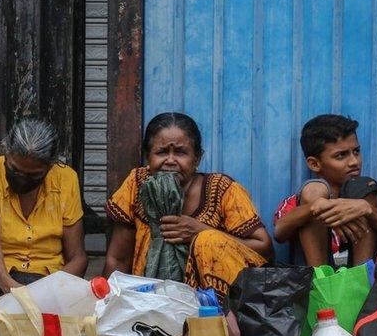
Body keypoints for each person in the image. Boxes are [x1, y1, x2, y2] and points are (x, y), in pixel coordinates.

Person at [103, 112, 273, 300]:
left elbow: (264, 249)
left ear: (197, 158)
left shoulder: (223, 190)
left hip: (213, 307)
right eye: (161, 152)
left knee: (208, 240)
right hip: (147, 300)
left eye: (180, 153)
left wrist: (200, 232)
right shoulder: (138, 184)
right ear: (147, 157)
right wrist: (106, 305)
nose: (170, 161)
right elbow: (118, 259)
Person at [0, 118, 87, 313]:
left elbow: (78, 257)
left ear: (50, 167)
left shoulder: (66, 179)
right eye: (14, 170)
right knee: (10, 308)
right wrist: (17, 292)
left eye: (33, 176)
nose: (22, 179)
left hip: (48, 282)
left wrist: (50, 291)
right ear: (6, 152)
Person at [273, 114, 377, 267]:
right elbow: (279, 233)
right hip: (314, 280)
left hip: (363, 279)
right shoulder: (301, 200)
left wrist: (367, 209)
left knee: (365, 188)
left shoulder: (370, 197)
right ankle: (321, 282)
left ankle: (361, 283)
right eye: (341, 155)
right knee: (314, 190)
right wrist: (314, 208)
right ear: (314, 164)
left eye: (356, 151)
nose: (354, 162)